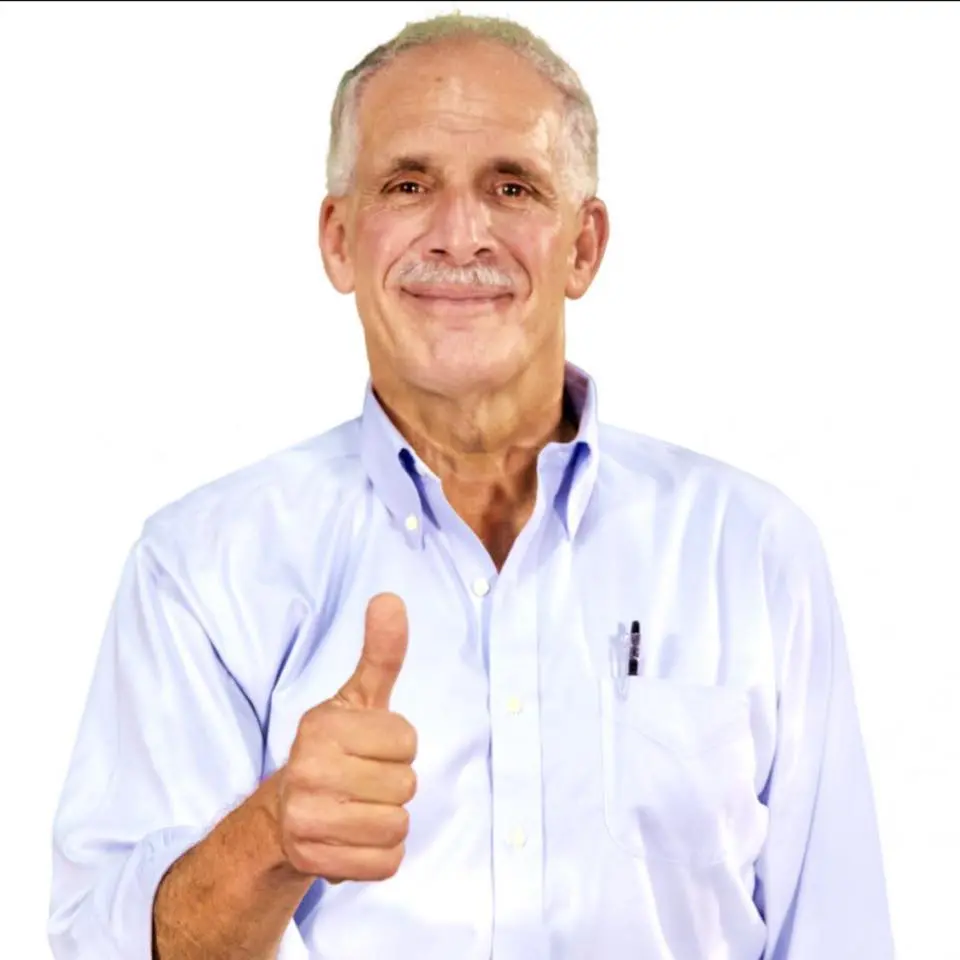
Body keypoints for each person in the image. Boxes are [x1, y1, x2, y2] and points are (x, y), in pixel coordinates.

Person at [48, 13, 894, 960]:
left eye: (511, 186)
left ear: (584, 246)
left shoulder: (752, 550)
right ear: (339, 240)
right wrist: (271, 837)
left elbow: (838, 931)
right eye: (408, 185)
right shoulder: (202, 567)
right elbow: (100, 945)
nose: (459, 235)